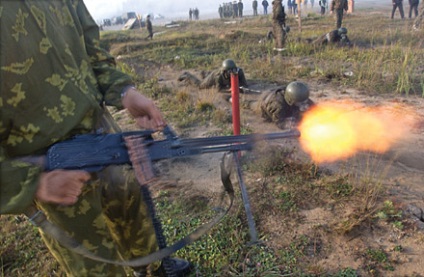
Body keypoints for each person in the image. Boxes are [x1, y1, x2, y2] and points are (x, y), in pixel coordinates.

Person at [0, 1, 192, 277]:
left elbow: (93, 51)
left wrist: (124, 91)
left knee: (132, 205)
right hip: (50, 164)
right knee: (95, 266)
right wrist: (32, 183)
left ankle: (149, 269)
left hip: (101, 134)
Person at [178, 59, 248, 91]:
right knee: (200, 85)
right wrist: (229, 89)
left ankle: (204, 73)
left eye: (233, 69)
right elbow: (219, 89)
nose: (232, 72)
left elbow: (245, 84)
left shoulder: (239, 72)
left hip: (219, 77)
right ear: (224, 71)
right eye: (229, 71)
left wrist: (240, 88)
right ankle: (187, 75)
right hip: (213, 76)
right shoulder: (218, 76)